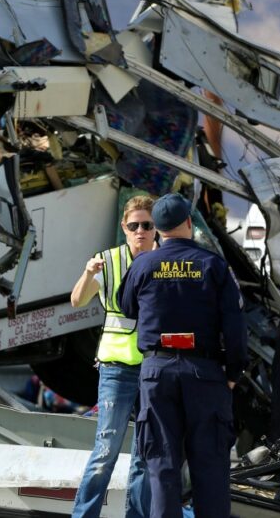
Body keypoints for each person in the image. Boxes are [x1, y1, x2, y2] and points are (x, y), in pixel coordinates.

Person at [118, 194, 246, 518]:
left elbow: (126, 306)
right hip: (204, 372)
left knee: (162, 468)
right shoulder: (214, 266)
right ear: (189, 223)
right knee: (211, 469)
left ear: (158, 229)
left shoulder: (143, 264)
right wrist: (233, 373)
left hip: (157, 373)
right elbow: (235, 326)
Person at [69, 195, 156, 518]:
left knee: (145, 455)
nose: (140, 232)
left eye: (147, 225)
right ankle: (84, 515)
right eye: (134, 226)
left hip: (153, 370)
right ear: (124, 227)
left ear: (155, 227)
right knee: (105, 451)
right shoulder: (109, 260)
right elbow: (78, 300)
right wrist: (88, 272)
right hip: (117, 369)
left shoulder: (165, 260)